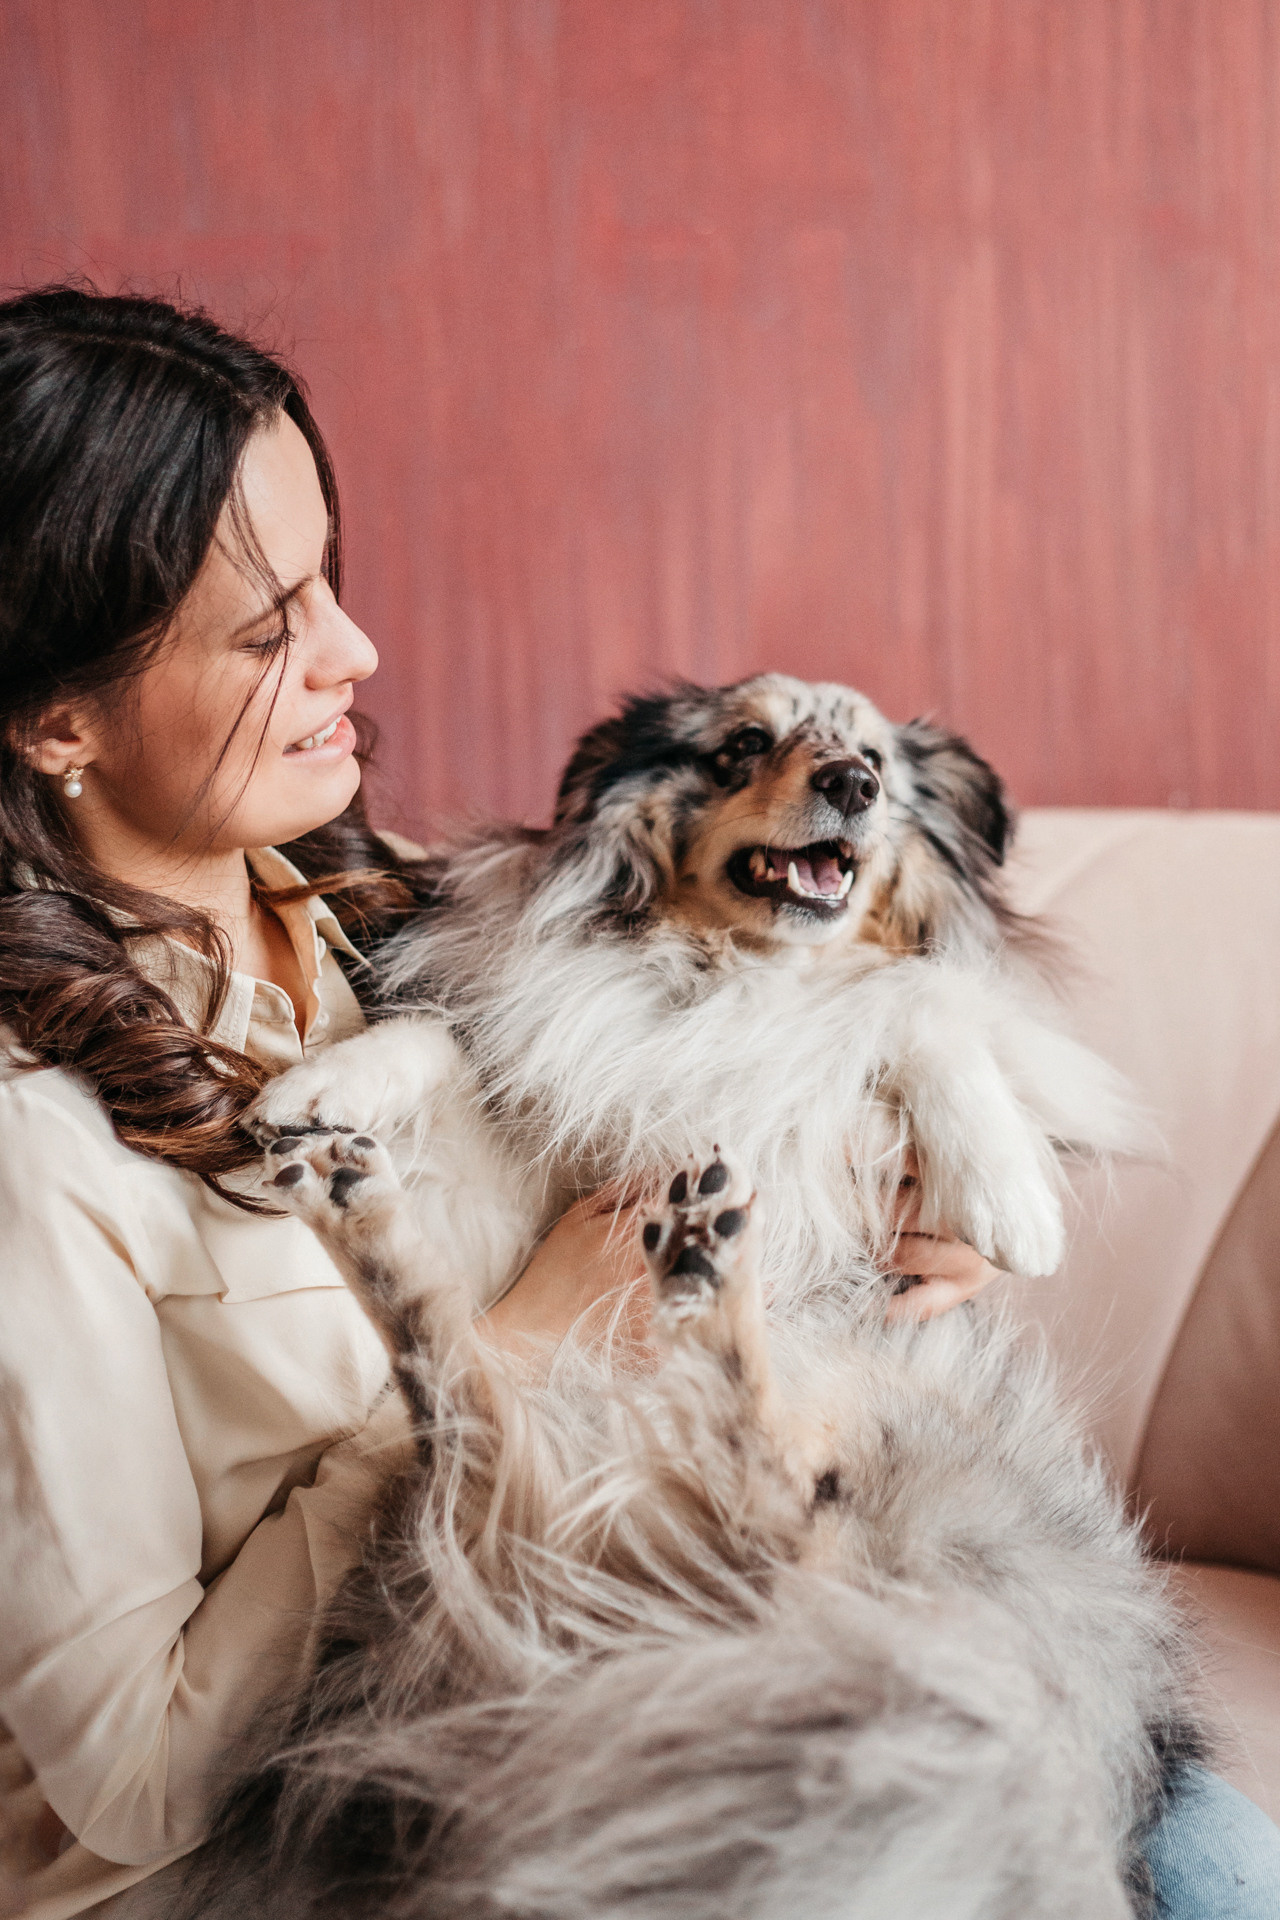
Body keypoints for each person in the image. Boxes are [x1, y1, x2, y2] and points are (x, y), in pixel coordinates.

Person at [0, 288, 1271, 1920]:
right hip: (341, 1828)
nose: (357, 654)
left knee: (1202, 1847)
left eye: (331, 579)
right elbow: (128, 1775)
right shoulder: (37, 1149)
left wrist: (899, 1224)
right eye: (267, 632)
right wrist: (513, 1353)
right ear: (56, 721)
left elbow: (761, 1094)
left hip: (645, 1649)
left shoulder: (401, 918)